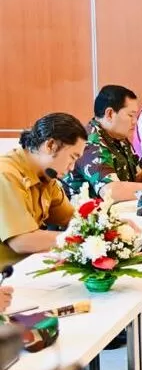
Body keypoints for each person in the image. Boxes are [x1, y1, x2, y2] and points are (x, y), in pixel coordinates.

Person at [0, 113, 87, 267]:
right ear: (50, 145)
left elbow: (72, 218)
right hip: (8, 274)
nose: (72, 167)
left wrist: (108, 227)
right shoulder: (6, 174)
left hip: (27, 265)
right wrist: (84, 240)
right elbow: (21, 241)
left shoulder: (46, 177)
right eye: (72, 157)